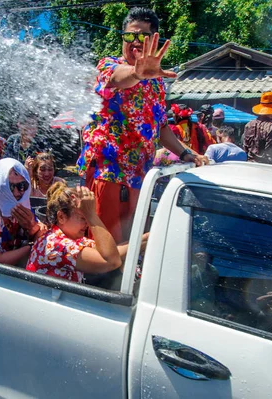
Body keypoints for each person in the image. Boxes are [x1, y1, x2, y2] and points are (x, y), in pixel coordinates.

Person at [76, 7, 208, 243]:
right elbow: (118, 78)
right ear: (122, 38)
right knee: (105, 249)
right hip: (108, 175)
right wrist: (137, 73)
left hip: (140, 177)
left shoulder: (157, 83)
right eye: (130, 36)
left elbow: (161, 128)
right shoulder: (107, 65)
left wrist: (187, 153)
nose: (135, 42)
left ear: (153, 41)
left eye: (142, 37)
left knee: (133, 244)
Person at [26, 182, 148, 283]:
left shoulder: (73, 239)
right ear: (62, 217)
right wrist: (91, 214)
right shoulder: (56, 245)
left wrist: (145, 239)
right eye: (82, 218)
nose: (88, 224)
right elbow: (112, 261)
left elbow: (112, 252)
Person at [243, 91, 272, 164]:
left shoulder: (248, 125)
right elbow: (271, 153)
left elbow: (245, 149)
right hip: (264, 166)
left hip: (249, 164)